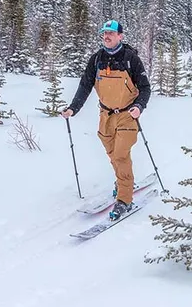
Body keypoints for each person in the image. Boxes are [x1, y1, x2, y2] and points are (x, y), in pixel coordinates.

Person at [61, 19, 151, 219]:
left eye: (111, 33)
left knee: (120, 154)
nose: (107, 36)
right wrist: (72, 109)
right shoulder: (96, 59)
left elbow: (145, 88)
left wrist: (139, 106)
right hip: (106, 115)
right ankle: (122, 180)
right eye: (104, 33)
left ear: (120, 36)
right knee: (111, 152)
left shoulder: (131, 59)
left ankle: (124, 199)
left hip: (128, 115)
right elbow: (85, 85)